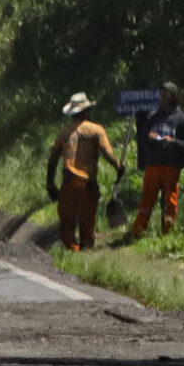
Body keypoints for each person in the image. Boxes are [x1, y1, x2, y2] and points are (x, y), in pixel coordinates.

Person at [47, 93, 122, 251]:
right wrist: (119, 167)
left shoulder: (64, 132)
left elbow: (53, 159)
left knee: (66, 222)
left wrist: (50, 184)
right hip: (87, 184)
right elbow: (107, 153)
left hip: (68, 182)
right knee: (87, 222)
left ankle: (72, 251)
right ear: (86, 111)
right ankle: (86, 252)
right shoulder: (96, 130)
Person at [127, 81, 184, 241]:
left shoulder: (182, 118)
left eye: (166, 95)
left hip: (172, 166)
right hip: (153, 164)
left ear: (173, 96)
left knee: (171, 200)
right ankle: (138, 232)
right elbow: (142, 138)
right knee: (147, 199)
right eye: (161, 95)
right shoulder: (153, 116)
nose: (162, 98)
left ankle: (169, 235)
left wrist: (173, 142)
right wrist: (151, 138)